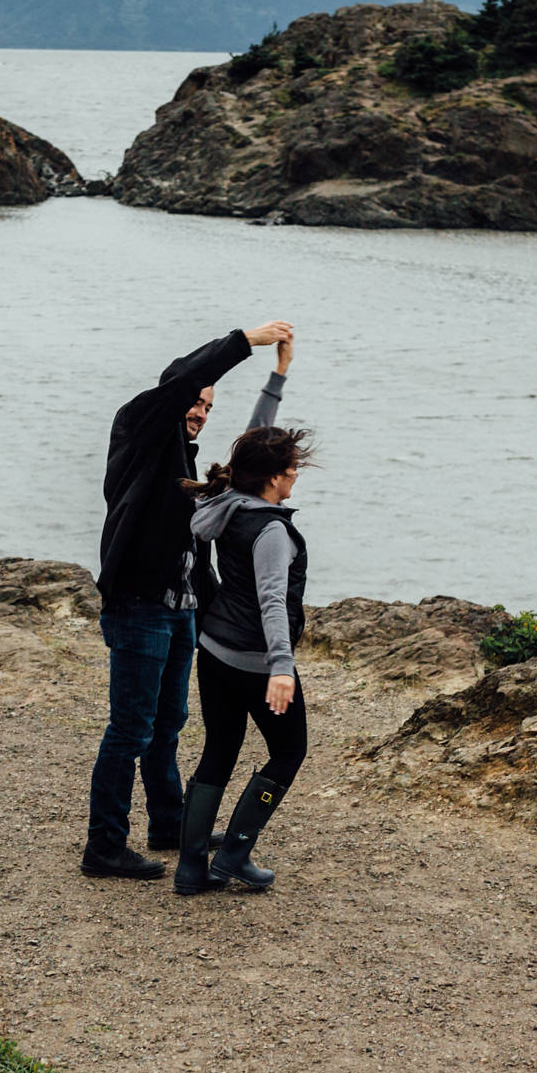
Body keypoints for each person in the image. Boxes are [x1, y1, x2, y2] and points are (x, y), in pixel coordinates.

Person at [83, 319, 293, 879]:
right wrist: (243, 342)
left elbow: (249, 463)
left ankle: (168, 822)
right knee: (130, 729)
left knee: (169, 722)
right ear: (175, 396)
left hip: (181, 610)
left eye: (208, 406)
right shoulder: (140, 431)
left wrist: (278, 378)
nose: (200, 411)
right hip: (139, 605)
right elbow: (181, 381)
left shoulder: (190, 466)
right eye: (195, 401)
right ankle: (103, 846)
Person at [175, 377, 316, 896]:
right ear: (275, 479)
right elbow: (272, 602)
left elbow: (254, 438)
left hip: (213, 650)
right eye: (293, 469)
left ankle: (192, 869)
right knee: (288, 752)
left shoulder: (230, 501)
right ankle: (234, 854)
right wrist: (281, 668)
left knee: (220, 748)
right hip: (257, 661)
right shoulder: (271, 531)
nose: (297, 475)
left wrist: (279, 377)